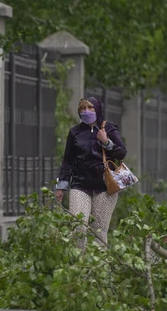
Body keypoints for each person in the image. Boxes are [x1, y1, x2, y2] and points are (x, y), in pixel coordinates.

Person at [54, 96, 127, 248]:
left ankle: (99, 268)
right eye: (83, 109)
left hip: (105, 186)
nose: (86, 112)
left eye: (90, 108)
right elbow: (67, 160)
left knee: (98, 231)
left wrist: (107, 142)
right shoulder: (75, 132)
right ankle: (80, 265)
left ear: (98, 109)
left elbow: (121, 153)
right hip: (80, 185)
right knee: (78, 227)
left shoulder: (109, 128)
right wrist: (61, 186)